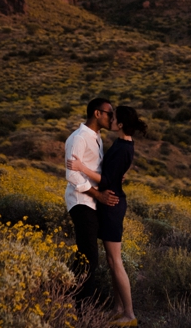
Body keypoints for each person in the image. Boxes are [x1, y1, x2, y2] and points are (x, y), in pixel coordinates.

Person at [68, 105, 147, 327]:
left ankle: (129, 315)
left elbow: (106, 181)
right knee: (112, 262)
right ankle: (118, 308)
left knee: (115, 261)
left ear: (120, 124)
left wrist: (81, 167)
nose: (110, 120)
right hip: (111, 203)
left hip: (112, 205)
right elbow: (113, 173)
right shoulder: (123, 143)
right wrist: (117, 175)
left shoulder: (123, 147)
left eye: (114, 118)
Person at [64, 98, 119, 302]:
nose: (112, 117)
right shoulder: (78, 138)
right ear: (97, 113)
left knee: (84, 257)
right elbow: (72, 175)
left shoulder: (96, 137)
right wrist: (98, 195)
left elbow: (94, 169)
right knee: (89, 258)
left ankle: (63, 293)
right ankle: (81, 307)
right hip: (81, 202)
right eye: (109, 113)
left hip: (92, 203)